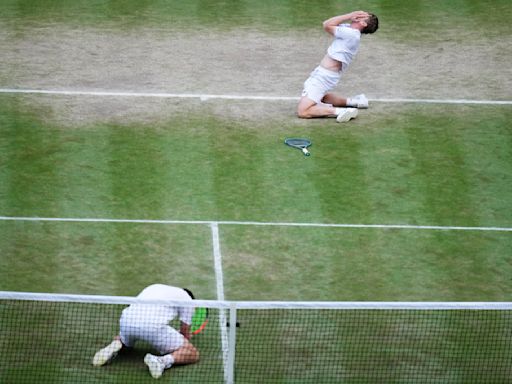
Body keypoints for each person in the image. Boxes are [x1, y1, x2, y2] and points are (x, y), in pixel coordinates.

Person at [92, 284, 199, 379]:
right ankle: (161, 361)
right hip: (153, 327)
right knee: (192, 353)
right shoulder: (188, 300)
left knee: (127, 347)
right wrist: (186, 335)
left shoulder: (154, 287)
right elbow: (185, 335)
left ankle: (119, 342)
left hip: (127, 321)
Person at [297, 10, 379, 123]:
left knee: (303, 111)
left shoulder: (351, 34)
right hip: (326, 74)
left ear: (363, 24)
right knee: (322, 98)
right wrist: (351, 17)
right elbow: (331, 23)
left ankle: (340, 111)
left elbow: (326, 25)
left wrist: (349, 15)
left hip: (323, 76)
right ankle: (356, 101)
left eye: (362, 16)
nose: (358, 15)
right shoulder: (350, 30)